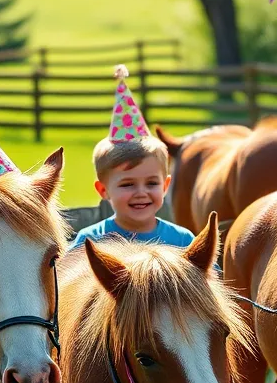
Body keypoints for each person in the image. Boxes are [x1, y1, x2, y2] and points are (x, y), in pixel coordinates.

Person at [70, 66, 193, 250]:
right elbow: (67, 277)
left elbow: (209, 277)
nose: (141, 193)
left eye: (152, 183)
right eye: (127, 184)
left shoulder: (182, 241)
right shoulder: (90, 242)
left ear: (166, 186)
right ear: (103, 190)